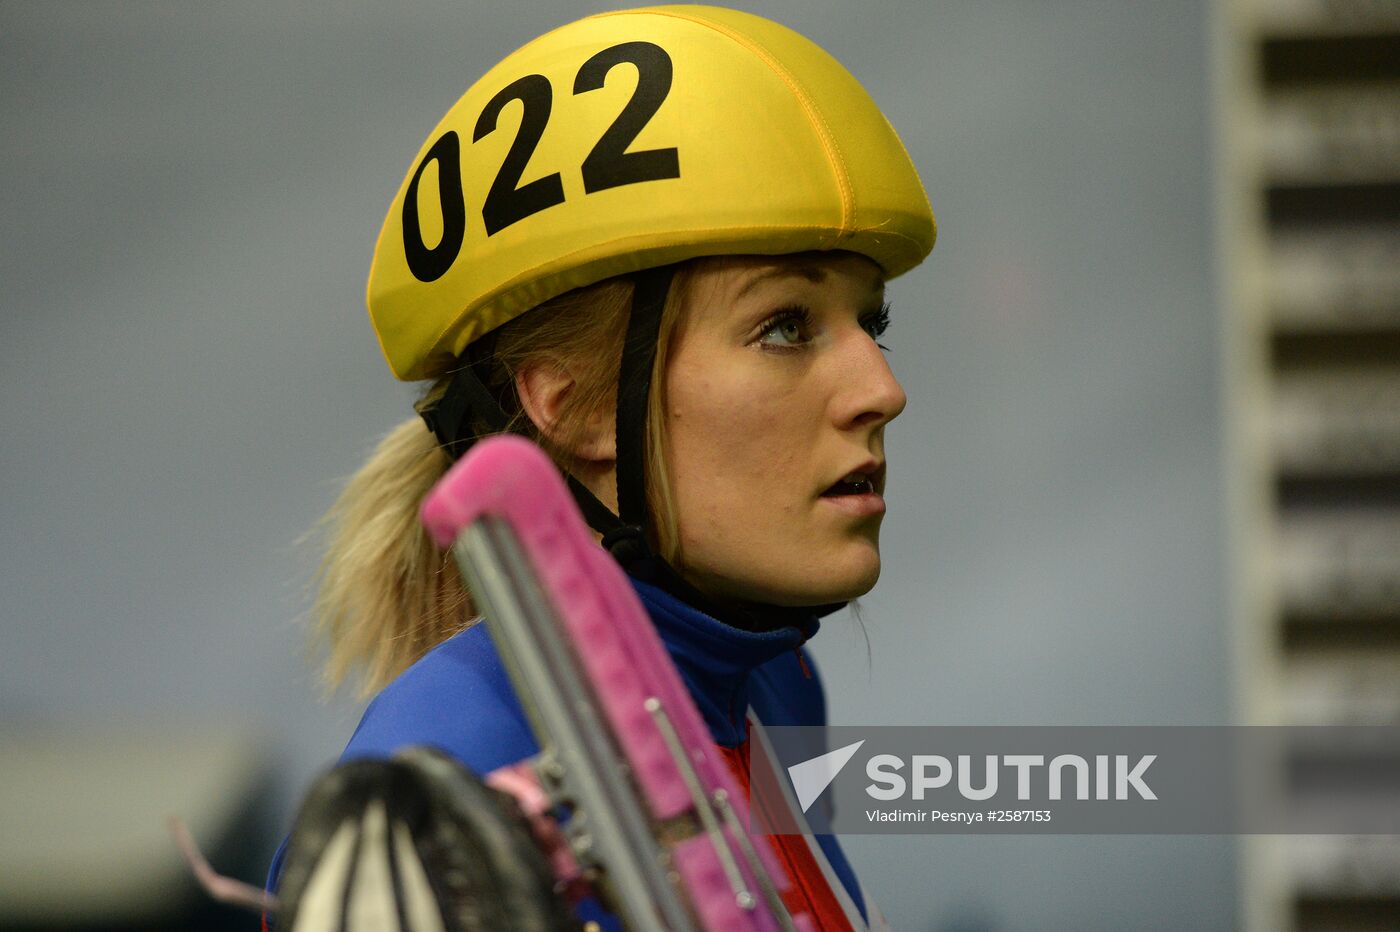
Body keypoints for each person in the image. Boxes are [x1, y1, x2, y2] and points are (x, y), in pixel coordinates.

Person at [267, 6, 934, 930]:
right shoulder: (448, 806)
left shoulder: (773, 687)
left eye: (874, 323)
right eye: (784, 327)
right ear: (570, 406)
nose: (881, 387)